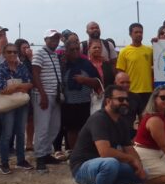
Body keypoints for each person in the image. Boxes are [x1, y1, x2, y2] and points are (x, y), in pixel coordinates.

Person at [69, 85, 148, 184]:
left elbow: (129, 148)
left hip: (101, 165)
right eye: (120, 99)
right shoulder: (99, 119)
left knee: (142, 173)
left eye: (126, 100)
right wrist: (131, 160)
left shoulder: (121, 122)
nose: (125, 103)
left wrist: (138, 165)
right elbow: (105, 152)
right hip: (82, 168)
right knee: (110, 163)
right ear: (108, 101)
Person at [0, 43, 33, 173]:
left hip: (21, 104)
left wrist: (13, 87)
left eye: (15, 52)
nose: (12, 54)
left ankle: (21, 160)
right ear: (4, 54)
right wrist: (18, 86)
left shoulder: (22, 67)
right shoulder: (0, 68)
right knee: (7, 134)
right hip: (8, 105)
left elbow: (29, 84)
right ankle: (4, 163)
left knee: (21, 133)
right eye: (9, 52)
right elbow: (1, 88)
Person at [32, 29, 64, 172]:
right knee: (42, 128)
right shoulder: (39, 53)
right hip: (43, 95)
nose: (55, 42)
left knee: (54, 126)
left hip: (54, 95)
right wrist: (42, 94)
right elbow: (35, 73)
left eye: (57, 39)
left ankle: (46, 153)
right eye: (52, 39)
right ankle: (39, 158)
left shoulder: (54, 55)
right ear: (45, 39)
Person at [62, 40, 102, 149]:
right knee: (71, 130)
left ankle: (85, 151)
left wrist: (85, 80)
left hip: (85, 103)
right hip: (68, 103)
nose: (75, 51)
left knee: (85, 129)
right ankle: (74, 153)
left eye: (77, 49)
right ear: (66, 51)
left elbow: (98, 83)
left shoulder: (86, 64)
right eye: (72, 50)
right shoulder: (63, 65)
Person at [116, 23, 153, 117]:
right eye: (136, 32)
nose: (139, 34)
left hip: (147, 91)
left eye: (141, 32)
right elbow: (120, 72)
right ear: (130, 34)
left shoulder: (149, 50)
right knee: (128, 119)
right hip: (131, 91)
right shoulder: (124, 52)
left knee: (145, 119)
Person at [15, 38, 34, 151]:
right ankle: (18, 142)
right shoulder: (15, 60)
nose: (27, 50)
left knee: (31, 118)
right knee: (19, 118)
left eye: (28, 47)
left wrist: (31, 58)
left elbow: (36, 72)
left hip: (30, 92)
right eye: (24, 48)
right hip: (17, 91)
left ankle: (29, 142)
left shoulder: (30, 60)